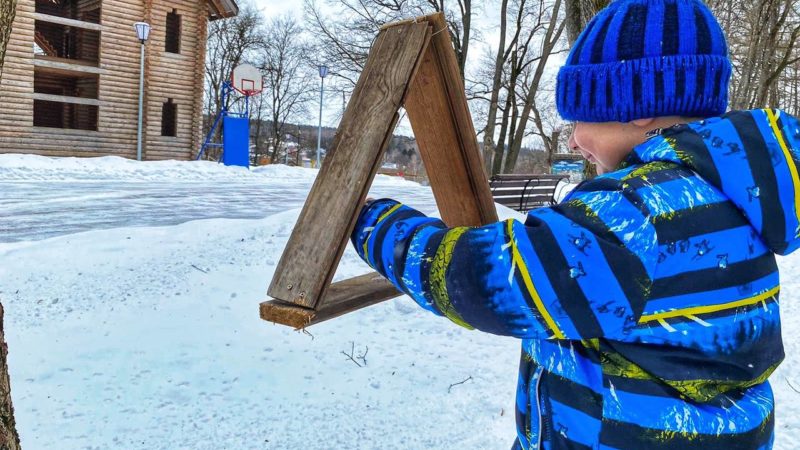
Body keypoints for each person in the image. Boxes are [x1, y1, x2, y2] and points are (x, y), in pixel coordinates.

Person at [350, 0, 800, 448]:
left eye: (579, 118)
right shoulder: (735, 197)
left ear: (635, 105)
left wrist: (375, 224)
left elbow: (487, 280)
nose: (572, 139)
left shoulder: (638, 211)